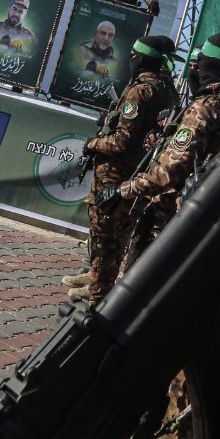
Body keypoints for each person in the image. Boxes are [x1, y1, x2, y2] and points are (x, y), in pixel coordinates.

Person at [117, 33, 220, 439]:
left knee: (144, 335)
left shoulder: (205, 108)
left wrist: (123, 188)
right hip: (190, 235)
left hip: (169, 230)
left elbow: (171, 168)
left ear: (204, 67)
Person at [63, 33, 178, 302]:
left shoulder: (139, 91)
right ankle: (98, 277)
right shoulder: (167, 89)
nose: (131, 60)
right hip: (135, 175)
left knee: (104, 232)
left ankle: (99, 292)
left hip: (115, 172)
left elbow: (120, 143)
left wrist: (92, 144)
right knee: (120, 230)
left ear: (144, 59)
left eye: (135, 55)